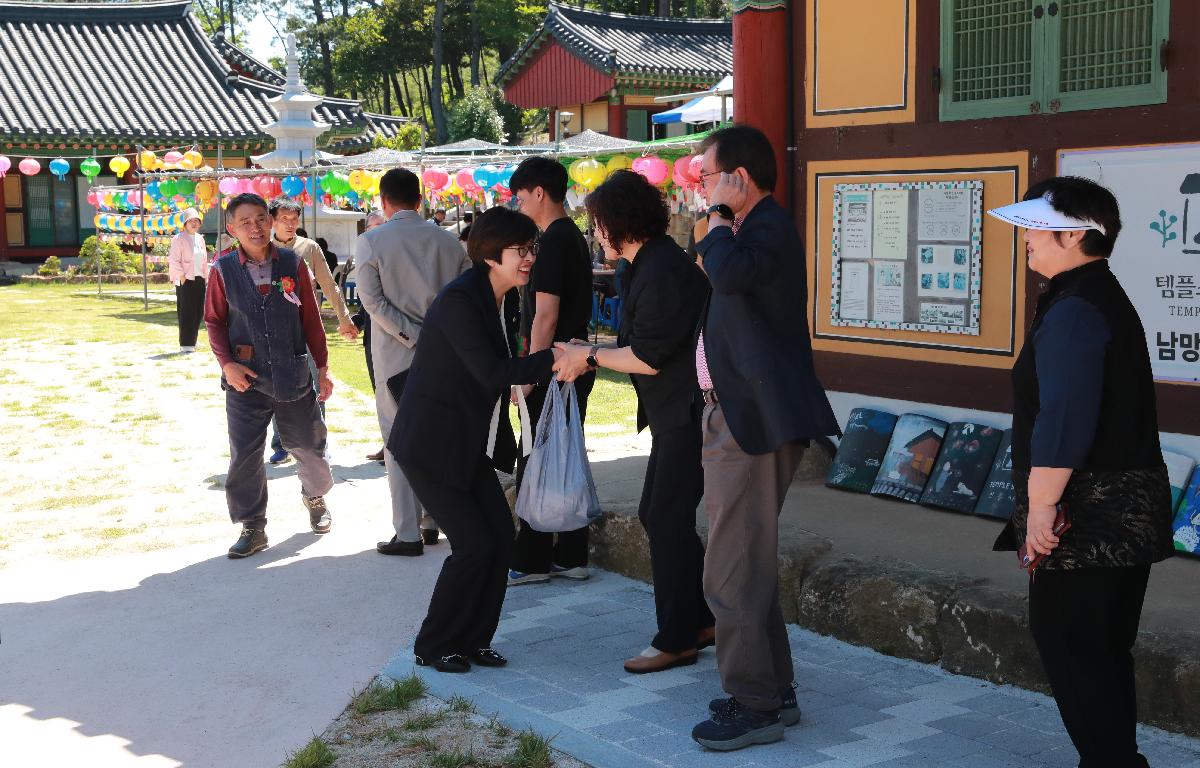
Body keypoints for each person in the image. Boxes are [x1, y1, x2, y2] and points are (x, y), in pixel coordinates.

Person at [988, 177, 1174, 768]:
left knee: (1074, 649)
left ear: (1074, 234)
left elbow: (1063, 421)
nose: (1026, 239)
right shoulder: (1097, 297)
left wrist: (1041, 509)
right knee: (1101, 650)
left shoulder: (1076, 310)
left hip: (1088, 519)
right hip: (1127, 512)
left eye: (1037, 228)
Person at [689, 125, 839, 751]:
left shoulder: (765, 228)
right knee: (742, 560)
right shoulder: (757, 230)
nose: (701, 187)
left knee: (732, 567)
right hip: (738, 415)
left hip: (750, 421)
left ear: (739, 179)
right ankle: (771, 689)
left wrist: (718, 217)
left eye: (709, 177)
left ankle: (755, 703)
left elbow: (724, 274)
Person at [389, 207, 574, 673]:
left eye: (533, 248)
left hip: (462, 441)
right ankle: (434, 644)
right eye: (522, 250)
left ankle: (473, 640)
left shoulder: (497, 296)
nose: (530, 258)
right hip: (430, 445)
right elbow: (493, 372)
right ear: (491, 254)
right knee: (473, 544)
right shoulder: (461, 299)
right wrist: (557, 357)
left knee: (497, 536)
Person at [556, 170, 715, 674]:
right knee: (659, 513)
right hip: (674, 414)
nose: (596, 233)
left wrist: (589, 355)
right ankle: (701, 619)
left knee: (664, 517)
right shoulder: (644, 265)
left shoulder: (663, 270)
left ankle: (678, 637)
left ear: (619, 222)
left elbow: (646, 356)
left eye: (599, 223)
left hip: (691, 415)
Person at [202, 193, 336, 558]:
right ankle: (252, 526)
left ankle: (315, 496)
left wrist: (322, 367)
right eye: (245, 222)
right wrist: (227, 365)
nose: (255, 227)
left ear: (271, 221)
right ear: (232, 228)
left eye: (261, 218)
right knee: (244, 454)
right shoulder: (222, 270)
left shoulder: (292, 264)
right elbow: (213, 321)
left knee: (309, 447)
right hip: (244, 379)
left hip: (292, 372)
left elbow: (311, 319)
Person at [356, 168, 471, 556]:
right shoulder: (451, 244)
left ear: (383, 202)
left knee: (398, 439)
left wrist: (411, 335)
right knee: (437, 434)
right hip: (446, 354)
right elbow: (466, 301)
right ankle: (432, 521)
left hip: (396, 354)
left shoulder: (371, 242)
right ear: (420, 200)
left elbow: (372, 303)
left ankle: (406, 530)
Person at [507, 156, 597, 586]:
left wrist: (528, 373)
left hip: (555, 364)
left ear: (539, 193)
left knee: (538, 455)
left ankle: (532, 559)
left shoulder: (555, 241)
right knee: (562, 452)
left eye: (521, 197)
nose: (518, 204)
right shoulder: (569, 237)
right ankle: (572, 553)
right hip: (571, 360)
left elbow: (545, 315)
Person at [265, 197, 358, 465]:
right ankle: (281, 444)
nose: (290, 224)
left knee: (318, 385)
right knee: (276, 387)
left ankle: (319, 442)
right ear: (272, 220)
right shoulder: (263, 248)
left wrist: (344, 318)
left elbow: (330, 285)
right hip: (273, 329)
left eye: (295, 220)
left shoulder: (309, 248)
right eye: (285, 219)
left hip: (307, 326)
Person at [352, 209, 387, 464]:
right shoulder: (365, 257)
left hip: (396, 339)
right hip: (372, 338)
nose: (375, 232)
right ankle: (388, 443)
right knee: (379, 391)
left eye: (380, 226)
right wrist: (354, 322)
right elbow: (367, 303)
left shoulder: (394, 258)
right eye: (371, 227)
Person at [167, 208, 209, 353]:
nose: (194, 223)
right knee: (187, 312)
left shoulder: (200, 238)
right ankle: (186, 344)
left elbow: (204, 260)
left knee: (198, 311)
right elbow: (173, 260)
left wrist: (205, 277)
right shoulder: (178, 239)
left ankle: (193, 340)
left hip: (199, 278)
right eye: (191, 221)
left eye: (197, 221)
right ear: (185, 223)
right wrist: (182, 277)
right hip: (185, 280)